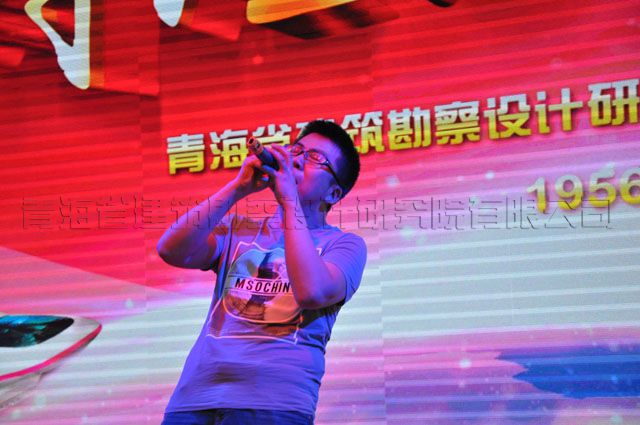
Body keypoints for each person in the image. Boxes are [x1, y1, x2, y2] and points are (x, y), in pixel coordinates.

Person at [157, 120, 367, 425]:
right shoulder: (238, 229)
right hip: (195, 399)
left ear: (333, 193)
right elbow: (171, 250)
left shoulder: (345, 245)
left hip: (274, 404)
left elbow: (311, 291)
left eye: (315, 158)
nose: (297, 159)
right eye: (297, 150)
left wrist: (289, 200)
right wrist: (237, 188)